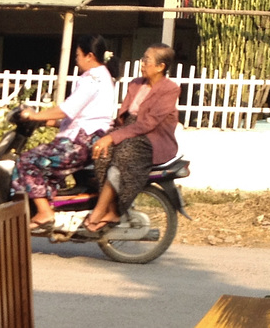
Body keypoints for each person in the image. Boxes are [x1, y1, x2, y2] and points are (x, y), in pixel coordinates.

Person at [11, 35, 119, 231]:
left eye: (78, 55)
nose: (76, 59)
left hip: (80, 143)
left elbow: (67, 108)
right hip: (84, 137)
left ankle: (45, 213)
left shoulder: (94, 78)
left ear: (90, 56)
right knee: (42, 162)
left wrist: (35, 115)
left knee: (26, 161)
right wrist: (51, 122)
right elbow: (82, 114)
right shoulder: (99, 76)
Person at [86, 43, 180, 233]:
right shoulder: (136, 83)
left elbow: (149, 123)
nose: (142, 63)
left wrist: (113, 138)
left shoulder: (170, 89)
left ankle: (100, 211)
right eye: (143, 59)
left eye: (147, 60)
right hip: (129, 130)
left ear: (161, 67)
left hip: (153, 137)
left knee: (123, 153)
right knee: (100, 151)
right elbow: (124, 118)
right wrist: (107, 135)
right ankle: (111, 209)